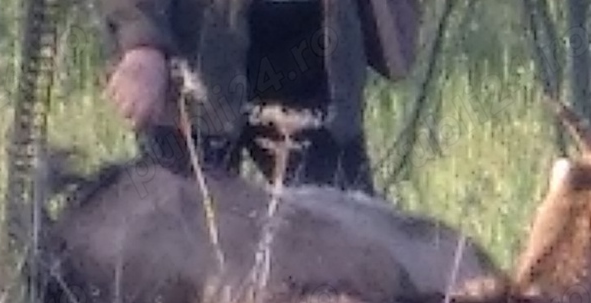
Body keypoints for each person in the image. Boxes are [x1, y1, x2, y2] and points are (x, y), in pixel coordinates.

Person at [100, 0, 422, 195]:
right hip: (197, 53)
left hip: (315, 49)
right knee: (181, 251)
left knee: (343, 252)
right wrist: (142, 43)